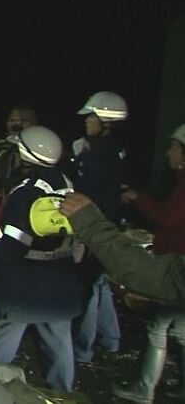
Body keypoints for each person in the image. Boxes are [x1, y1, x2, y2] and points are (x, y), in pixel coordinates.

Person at [0, 125, 86, 393]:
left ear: (23, 156)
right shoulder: (68, 185)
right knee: (59, 348)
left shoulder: (26, 192)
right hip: (62, 282)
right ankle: (62, 396)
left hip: (24, 288)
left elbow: (13, 247)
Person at [98, 123, 185, 402]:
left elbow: (168, 217)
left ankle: (143, 390)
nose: (168, 151)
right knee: (181, 329)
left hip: (178, 268)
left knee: (157, 326)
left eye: (174, 147)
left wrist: (139, 198)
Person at [70, 91, 127, 364]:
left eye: (91, 117)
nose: (87, 122)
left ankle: (83, 349)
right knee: (101, 283)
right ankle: (111, 339)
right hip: (109, 223)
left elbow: (87, 190)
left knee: (89, 287)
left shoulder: (96, 154)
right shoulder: (116, 149)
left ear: (105, 121)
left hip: (94, 225)